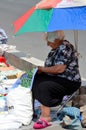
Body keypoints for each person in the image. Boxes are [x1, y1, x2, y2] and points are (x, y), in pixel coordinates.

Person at [32, 31, 81, 129]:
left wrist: (42, 69)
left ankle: (45, 117)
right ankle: (31, 110)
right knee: (33, 80)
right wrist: (39, 71)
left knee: (44, 86)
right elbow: (51, 68)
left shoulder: (65, 48)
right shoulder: (55, 49)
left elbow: (59, 69)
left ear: (57, 39)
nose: (47, 44)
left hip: (69, 81)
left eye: (49, 41)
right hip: (56, 78)